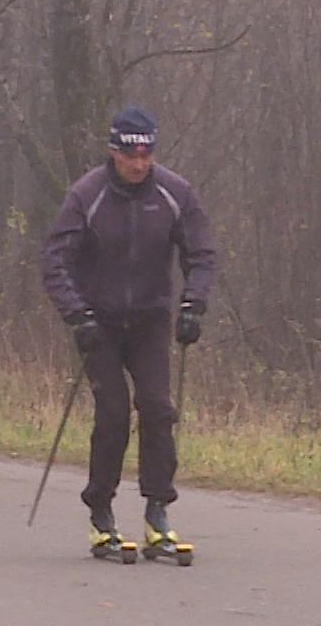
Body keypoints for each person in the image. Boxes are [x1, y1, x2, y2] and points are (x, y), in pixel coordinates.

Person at [40, 106, 216, 557]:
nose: (140, 164)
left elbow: (201, 253)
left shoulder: (175, 193)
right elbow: (55, 260)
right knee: (113, 413)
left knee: (157, 408)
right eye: (130, 154)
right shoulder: (88, 195)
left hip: (150, 320)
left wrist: (194, 304)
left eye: (147, 154)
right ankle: (101, 512)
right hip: (99, 322)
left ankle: (158, 511)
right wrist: (76, 314)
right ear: (113, 152)